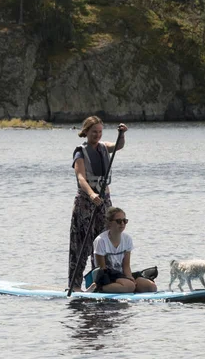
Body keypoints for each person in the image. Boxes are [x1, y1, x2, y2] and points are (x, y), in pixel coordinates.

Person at [68, 116, 128, 292]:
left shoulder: (103, 147)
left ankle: (101, 282)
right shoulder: (80, 152)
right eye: (94, 132)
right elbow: (81, 177)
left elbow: (118, 146)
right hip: (86, 203)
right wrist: (92, 193)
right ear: (86, 132)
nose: (97, 135)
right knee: (81, 244)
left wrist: (122, 134)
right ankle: (75, 285)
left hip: (104, 203)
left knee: (102, 241)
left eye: (100, 132)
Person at [87, 207, 157, 293]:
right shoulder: (101, 240)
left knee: (151, 287)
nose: (122, 224)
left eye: (125, 221)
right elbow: (102, 268)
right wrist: (127, 282)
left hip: (122, 276)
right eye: (119, 221)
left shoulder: (127, 239)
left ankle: (124, 287)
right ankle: (98, 288)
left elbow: (126, 265)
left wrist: (130, 278)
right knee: (130, 286)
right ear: (109, 223)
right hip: (106, 276)